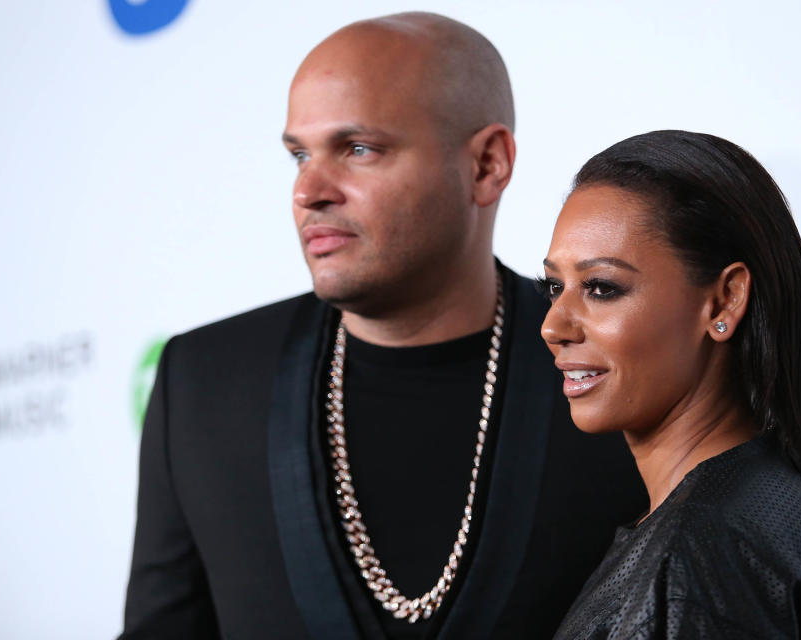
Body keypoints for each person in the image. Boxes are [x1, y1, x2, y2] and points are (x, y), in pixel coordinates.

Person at [119, 12, 647, 640]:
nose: (309, 190)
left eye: (358, 149)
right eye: (298, 155)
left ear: (486, 165)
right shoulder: (204, 384)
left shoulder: (621, 366)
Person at [540, 130, 801, 639]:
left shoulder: (697, 556)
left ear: (723, 301)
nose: (554, 326)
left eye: (601, 288)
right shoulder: (763, 491)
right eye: (555, 287)